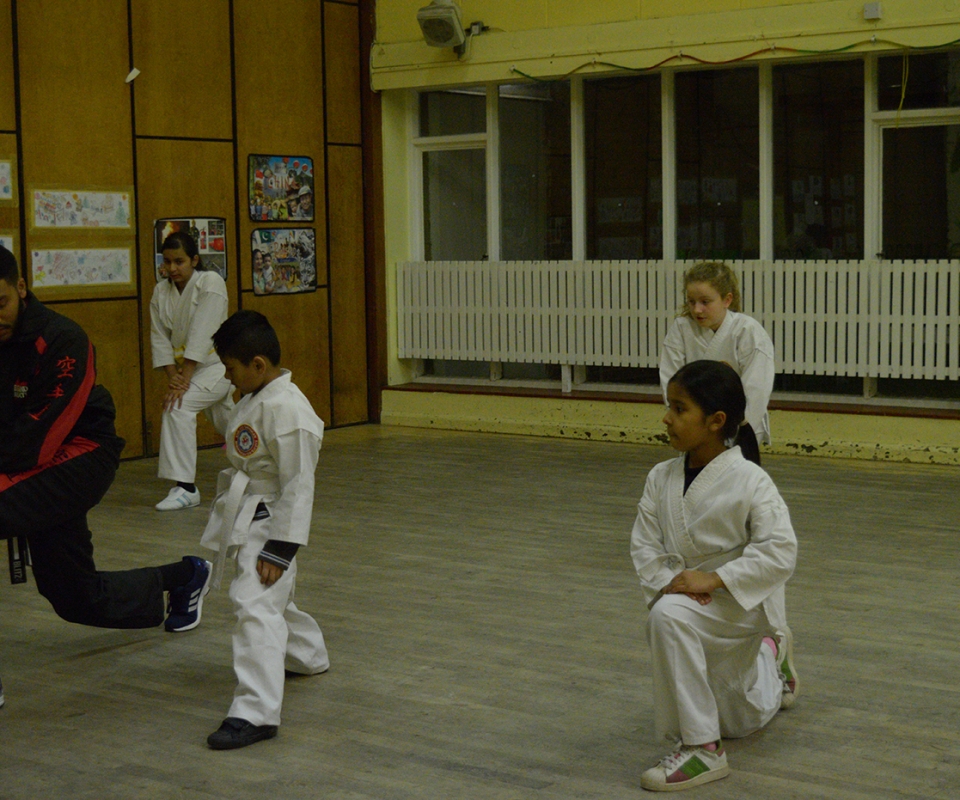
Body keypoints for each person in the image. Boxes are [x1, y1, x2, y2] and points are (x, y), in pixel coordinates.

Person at [0, 244, 213, 647]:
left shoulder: (63, 339)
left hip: (80, 453)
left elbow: (37, 441)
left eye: (1, 302)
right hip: (23, 459)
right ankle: (184, 577)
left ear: (22, 287)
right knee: (76, 598)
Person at [631, 360, 798, 792]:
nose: (666, 417)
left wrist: (715, 580)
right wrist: (677, 582)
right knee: (736, 716)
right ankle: (771, 661)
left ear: (715, 421)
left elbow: (780, 551)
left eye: (679, 408)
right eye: (668, 406)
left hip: (737, 602)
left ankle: (704, 749)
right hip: (686, 594)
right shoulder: (659, 478)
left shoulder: (751, 481)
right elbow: (645, 547)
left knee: (669, 617)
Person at [201, 310, 329, 750]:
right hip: (250, 512)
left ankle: (255, 712)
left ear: (258, 364)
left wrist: (281, 548)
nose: (226, 375)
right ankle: (308, 655)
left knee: (252, 602)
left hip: (273, 518)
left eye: (230, 367)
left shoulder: (289, 410)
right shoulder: (257, 395)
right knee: (270, 600)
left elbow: (299, 484)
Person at [150, 231, 235, 511]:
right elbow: (159, 337)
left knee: (178, 407)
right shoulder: (161, 291)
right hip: (187, 368)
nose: (172, 268)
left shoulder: (210, 282)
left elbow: (204, 332)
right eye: (167, 262)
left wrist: (182, 381)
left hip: (217, 366)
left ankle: (186, 488)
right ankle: (263, 463)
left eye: (180, 261)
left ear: (194, 260)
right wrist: (173, 375)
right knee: (232, 421)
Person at [659, 261, 775, 447]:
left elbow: (756, 390)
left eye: (705, 302)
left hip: (741, 425)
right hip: (693, 426)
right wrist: (683, 417)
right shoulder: (681, 329)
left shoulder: (748, 331)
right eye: (691, 301)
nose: (697, 309)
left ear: (727, 300)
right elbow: (670, 380)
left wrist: (735, 431)